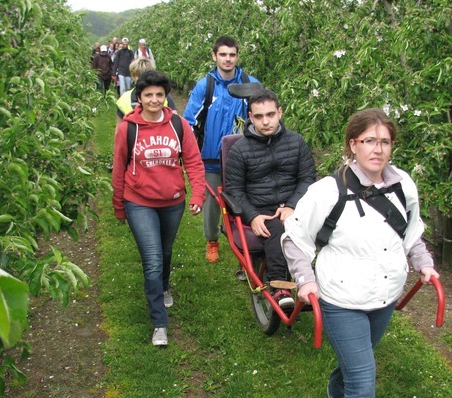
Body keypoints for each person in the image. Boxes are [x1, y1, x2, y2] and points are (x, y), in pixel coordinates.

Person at [281, 108, 439, 398]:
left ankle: (336, 392)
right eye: (369, 140)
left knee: (358, 363)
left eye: (385, 141)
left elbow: (411, 233)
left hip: (384, 297)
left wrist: (424, 262)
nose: (377, 149)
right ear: (353, 145)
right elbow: (294, 239)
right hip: (341, 298)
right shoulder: (326, 192)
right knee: (364, 384)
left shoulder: (404, 185)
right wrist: (305, 280)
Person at [112, 70, 205, 347]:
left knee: (165, 251)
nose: (154, 100)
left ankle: (163, 286)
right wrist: (119, 205)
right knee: (152, 259)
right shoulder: (127, 128)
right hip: (138, 201)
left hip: (172, 201)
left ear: (166, 98)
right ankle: (159, 323)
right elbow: (119, 168)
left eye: (159, 95)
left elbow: (193, 162)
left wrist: (197, 195)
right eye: (148, 95)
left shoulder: (179, 125)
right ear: (138, 98)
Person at [224, 89, 315, 308]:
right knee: (277, 229)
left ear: (280, 113)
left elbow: (307, 178)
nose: (265, 121)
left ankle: (322, 280)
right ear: (250, 117)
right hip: (260, 208)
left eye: (270, 115)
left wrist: (292, 205)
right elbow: (234, 190)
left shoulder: (297, 142)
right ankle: (279, 286)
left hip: (294, 205)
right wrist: (253, 216)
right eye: (258, 116)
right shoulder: (239, 150)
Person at [183, 36, 259, 263]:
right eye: (223, 54)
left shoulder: (250, 84)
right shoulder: (205, 86)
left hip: (243, 157)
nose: (228, 59)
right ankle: (212, 240)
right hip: (212, 157)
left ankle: (246, 247)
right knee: (212, 203)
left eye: (232, 54)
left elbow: (261, 117)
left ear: (237, 56)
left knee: (244, 202)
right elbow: (190, 121)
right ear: (214, 56)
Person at [116, 58, 177, 126]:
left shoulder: (166, 97)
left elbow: (175, 122)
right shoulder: (124, 100)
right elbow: (119, 131)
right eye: (139, 76)